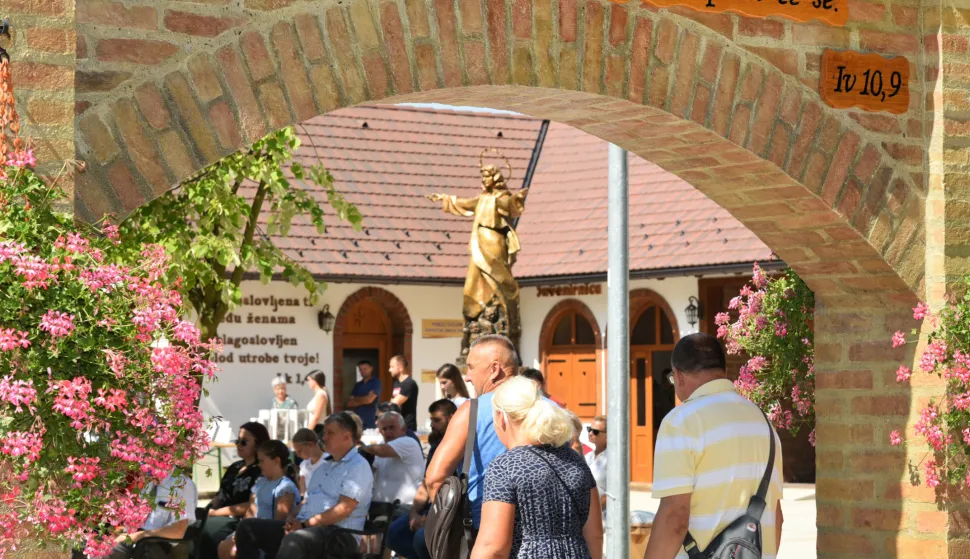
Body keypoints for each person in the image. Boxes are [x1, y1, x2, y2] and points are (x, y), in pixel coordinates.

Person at [644, 333, 784, 559]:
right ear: (724, 371)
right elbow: (776, 516)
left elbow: (675, 516)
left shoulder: (681, 422)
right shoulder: (764, 423)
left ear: (678, 376)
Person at [471, 376, 602, 559]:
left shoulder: (505, 467)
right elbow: (594, 535)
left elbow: (492, 547)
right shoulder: (575, 461)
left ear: (502, 418)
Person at [420, 334, 520, 543]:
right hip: (543, 532)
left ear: (494, 369)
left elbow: (435, 478)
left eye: (471, 367)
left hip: (484, 530)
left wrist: (450, 530)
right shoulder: (552, 411)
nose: (467, 376)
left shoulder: (471, 411)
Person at [234, 412, 374, 559]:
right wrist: (292, 517)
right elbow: (307, 499)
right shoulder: (323, 467)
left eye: (330, 433)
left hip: (339, 535)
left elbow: (344, 508)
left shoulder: (358, 466)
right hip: (309, 528)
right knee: (247, 527)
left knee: (295, 541)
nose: (324, 437)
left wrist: (305, 525)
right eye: (324, 432)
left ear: (346, 436)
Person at [385, 399, 457, 559]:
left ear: (452, 418)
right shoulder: (436, 446)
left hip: (449, 511)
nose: (432, 425)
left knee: (421, 539)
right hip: (428, 508)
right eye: (431, 420)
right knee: (393, 534)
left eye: (437, 420)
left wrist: (428, 519)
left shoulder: (460, 448)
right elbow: (426, 483)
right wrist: (414, 514)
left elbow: (453, 492)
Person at [218, 441, 302, 559]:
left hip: (267, 537)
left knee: (233, 551)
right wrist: (240, 532)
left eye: (262, 461)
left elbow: (278, 523)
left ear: (276, 461)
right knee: (223, 546)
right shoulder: (260, 483)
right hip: (251, 531)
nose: (259, 465)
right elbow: (251, 511)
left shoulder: (285, 488)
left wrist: (249, 536)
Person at [200, 422, 271, 559]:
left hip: (239, 520)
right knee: (193, 524)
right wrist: (207, 509)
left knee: (205, 530)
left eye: (244, 442)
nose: (238, 445)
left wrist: (216, 513)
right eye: (237, 441)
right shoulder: (234, 467)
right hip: (219, 516)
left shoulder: (261, 470)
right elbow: (220, 495)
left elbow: (251, 505)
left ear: (258, 443)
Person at [103, 472, 198, 559]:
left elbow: (177, 532)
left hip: (163, 546)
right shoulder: (147, 482)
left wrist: (141, 535)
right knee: (104, 551)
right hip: (137, 539)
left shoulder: (182, 484)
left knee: (145, 549)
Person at [361, 411, 425, 515]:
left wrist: (359, 449)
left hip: (403, 508)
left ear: (403, 429)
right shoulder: (382, 445)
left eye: (392, 428)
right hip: (381, 508)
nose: (388, 432)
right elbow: (371, 473)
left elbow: (377, 450)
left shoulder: (408, 442)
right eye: (384, 429)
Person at [346, 360, 382, 429]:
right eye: (360, 369)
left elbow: (369, 400)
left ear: (371, 368)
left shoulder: (376, 382)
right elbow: (349, 403)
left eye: (365, 369)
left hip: (371, 420)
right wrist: (365, 398)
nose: (362, 371)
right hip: (358, 420)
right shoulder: (358, 385)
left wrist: (355, 399)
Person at [584, 415, 607, 525]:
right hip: (587, 515)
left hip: (605, 517)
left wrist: (594, 511)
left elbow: (613, 493)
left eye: (596, 431)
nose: (590, 433)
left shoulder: (613, 460)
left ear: (607, 436)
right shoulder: (588, 456)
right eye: (589, 429)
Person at [389, 355, 419, 431]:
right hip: (397, 424)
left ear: (401, 368)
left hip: (407, 425)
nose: (389, 370)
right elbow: (392, 402)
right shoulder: (397, 383)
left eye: (392, 367)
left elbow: (394, 404)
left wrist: (392, 403)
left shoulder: (409, 383)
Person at [292, 428, 325, 497]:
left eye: (300, 451)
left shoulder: (328, 461)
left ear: (310, 445)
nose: (298, 455)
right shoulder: (303, 465)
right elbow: (303, 492)